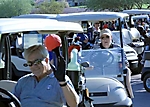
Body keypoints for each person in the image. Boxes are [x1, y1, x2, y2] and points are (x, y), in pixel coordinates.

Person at [12, 44, 79, 107]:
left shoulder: (59, 80)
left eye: (37, 62)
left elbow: (73, 104)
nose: (34, 66)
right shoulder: (23, 81)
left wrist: (62, 83)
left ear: (46, 60)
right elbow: (11, 101)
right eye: (30, 63)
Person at [99, 28, 134, 99]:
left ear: (111, 38)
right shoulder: (96, 49)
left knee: (127, 71)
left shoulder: (117, 48)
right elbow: (90, 59)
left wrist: (122, 64)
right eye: (103, 37)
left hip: (115, 71)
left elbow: (125, 61)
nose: (105, 39)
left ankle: (129, 95)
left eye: (107, 37)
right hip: (101, 71)